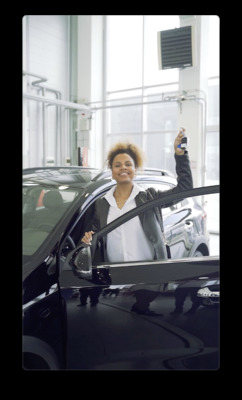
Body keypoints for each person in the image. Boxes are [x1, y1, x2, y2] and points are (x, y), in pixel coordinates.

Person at [81, 129, 193, 262]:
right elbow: (95, 236)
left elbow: (184, 189)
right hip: (114, 276)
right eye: (118, 165)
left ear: (135, 170)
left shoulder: (149, 197)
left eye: (128, 164)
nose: (123, 167)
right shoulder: (101, 203)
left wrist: (180, 154)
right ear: (112, 172)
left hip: (147, 275)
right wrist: (88, 238)